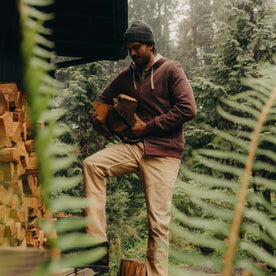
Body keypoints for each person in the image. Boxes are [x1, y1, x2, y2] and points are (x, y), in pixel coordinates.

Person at [83, 21, 197, 276]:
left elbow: (188, 109)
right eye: (129, 49)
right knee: (92, 165)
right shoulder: (127, 75)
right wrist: (101, 120)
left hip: (164, 152)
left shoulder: (170, 70)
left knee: (157, 223)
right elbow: (101, 101)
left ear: (151, 45)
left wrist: (148, 127)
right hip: (134, 148)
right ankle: (96, 246)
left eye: (137, 48)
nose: (132, 53)